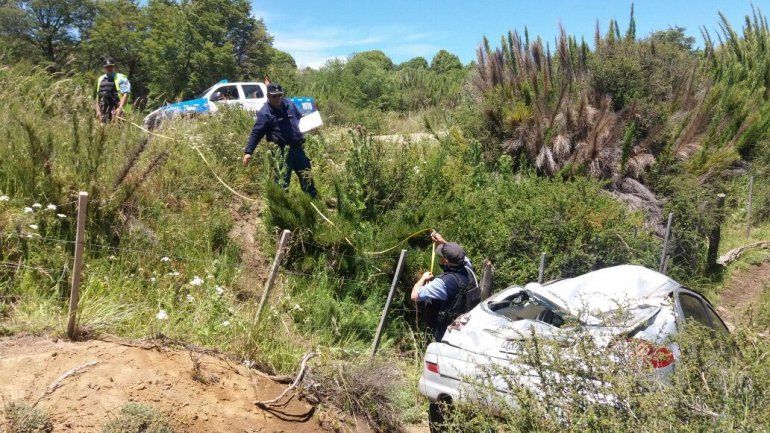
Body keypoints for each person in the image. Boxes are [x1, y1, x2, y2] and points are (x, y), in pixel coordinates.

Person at [242, 83, 317, 198]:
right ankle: (281, 211)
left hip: (298, 150)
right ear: (268, 96)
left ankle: (312, 203)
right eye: (274, 96)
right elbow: (256, 133)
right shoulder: (265, 113)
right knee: (282, 184)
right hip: (281, 154)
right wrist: (248, 152)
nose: (277, 98)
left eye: (279, 95)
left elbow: (300, 118)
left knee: (307, 179)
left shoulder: (290, 105)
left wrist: (311, 125)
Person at [411, 232, 480, 341]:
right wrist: (443, 242)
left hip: (446, 330)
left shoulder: (443, 283)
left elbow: (414, 296)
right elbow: (458, 255)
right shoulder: (467, 266)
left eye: (441, 256)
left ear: (446, 261)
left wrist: (422, 278)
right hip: (465, 324)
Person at [95, 58, 131, 123]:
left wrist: (120, 108)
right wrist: (97, 110)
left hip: (117, 110)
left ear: (114, 67)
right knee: (102, 131)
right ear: (104, 68)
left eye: (111, 66)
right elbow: (98, 96)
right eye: (107, 67)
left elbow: (125, 94)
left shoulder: (121, 78)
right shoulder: (100, 79)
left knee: (117, 131)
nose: (109, 68)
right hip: (104, 110)